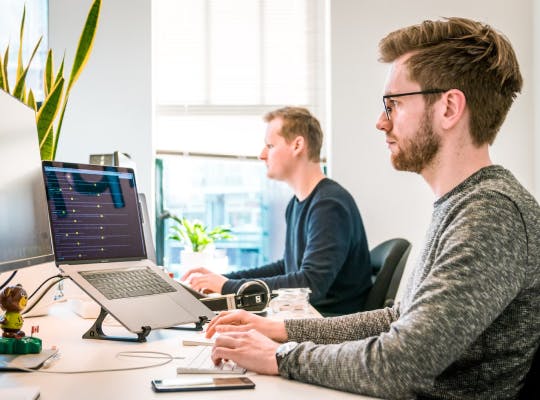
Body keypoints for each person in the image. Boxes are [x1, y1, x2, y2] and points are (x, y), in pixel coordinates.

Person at [203, 17, 540, 399]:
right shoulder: (462, 204)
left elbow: (399, 364)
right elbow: (398, 318)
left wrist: (282, 356)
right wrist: (281, 330)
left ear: (448, 108)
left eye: (393, 104)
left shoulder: (491, 213)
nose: (381, 122)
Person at [182, 107, 372, 315]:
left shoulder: (329, 205)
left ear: (297, 145)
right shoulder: (298, 203)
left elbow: (310, 286)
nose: (262, 155)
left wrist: (227, 287)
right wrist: (225, 280)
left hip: (328, 324)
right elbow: (287, 267)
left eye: (270, 146)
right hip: (306, 316)